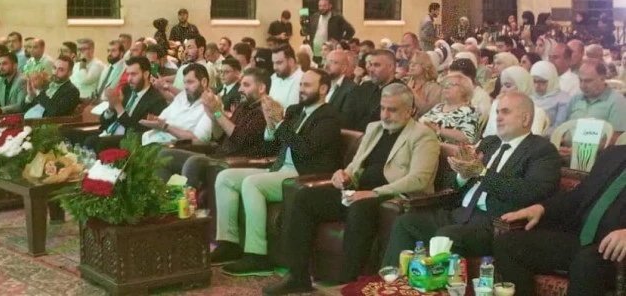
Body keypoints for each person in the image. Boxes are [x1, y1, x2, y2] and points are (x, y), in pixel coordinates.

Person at [263, 84, 441, 295]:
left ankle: (347, 282)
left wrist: (374, 193)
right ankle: (297, 276)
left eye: (392, 110)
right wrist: (344, 175)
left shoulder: (423, 136)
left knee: (360, 206)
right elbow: (356, 164)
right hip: (358, 192)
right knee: (305, 198)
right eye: (383, 108)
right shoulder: (374, 128)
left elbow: (419, 179)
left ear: (410, 110)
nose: (385, 115)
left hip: (390, 197)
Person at [382, 92, 562, 264]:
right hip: (460, 212)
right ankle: (392, 280)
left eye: (505, 112)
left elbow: (529, 192)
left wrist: (482, 173)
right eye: (497, 112)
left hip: (494, 223)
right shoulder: (490, 142)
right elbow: (451, 185)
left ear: (525, 119)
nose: (498, 118)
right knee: (406, 222)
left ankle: (432, 284)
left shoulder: (542, 151)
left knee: (446, 237)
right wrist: (462, 174)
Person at [211, 69, 342, 276]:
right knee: (225, 177)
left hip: (303, 175)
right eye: (301, 84)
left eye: (307, 85)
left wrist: (279, 122)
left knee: (252, 183)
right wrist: (270, 119)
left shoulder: (329, 117)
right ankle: (229, 243)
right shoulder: (295, 110)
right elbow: (271, 139)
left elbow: (305, 149)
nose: (301, 89)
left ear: (323, 89)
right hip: (280, 168)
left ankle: (257, 255)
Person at [494, 146, 626, 296]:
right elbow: (579, 196)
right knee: (508, 245)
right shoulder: (614, 154)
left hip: (615, 255)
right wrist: (541, 208)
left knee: (587, 262)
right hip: (583, 242)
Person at [158, 67, 273, 189]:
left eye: (246, 85)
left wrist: (217, 112)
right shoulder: (243, 107)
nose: (240, 89)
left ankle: (188, 199)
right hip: (219, 155)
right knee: (164, 155)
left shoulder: (265, 111)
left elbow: (239, 138)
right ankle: (160, 196)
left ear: (261, 88)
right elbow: (220, 137)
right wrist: (213, 117)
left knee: (193, 163)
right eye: (241, 85)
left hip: (237, 161)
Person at [86, 56, 167, 152]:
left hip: (129, 142)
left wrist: (118, 106)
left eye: (133, 74)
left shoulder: (156, 100)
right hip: (109, 132)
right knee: (75, 135)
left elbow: (137, 131)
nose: (129, 79)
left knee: (94, 142)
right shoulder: (127, 89)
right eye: (128, 74)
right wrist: (111, 108)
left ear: (146, 74)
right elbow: (104, 123)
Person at [140, 63, 213, 146]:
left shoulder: (211, 106)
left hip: (174, 148)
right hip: (152, 138)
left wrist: (166, 127)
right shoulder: (183, 96)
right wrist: (153, 121)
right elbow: (162, 120)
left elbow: (199, 139)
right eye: (185, 83)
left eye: (190, 82)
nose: (186, 87)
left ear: (204, 82)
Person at [419, 72, 480, 155]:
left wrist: (438, 130)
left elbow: (467, 137)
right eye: (444, 84)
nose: (446, 87)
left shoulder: (470, 111)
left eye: (451, 84)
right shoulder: (438, 107)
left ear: (464, 90)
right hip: (423, 148)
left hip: (445, 156)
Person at [483, 66, 548, 137]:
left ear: (522, 86)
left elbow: (533, 141)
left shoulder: (536, 111)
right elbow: (488, 135)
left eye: (508, 86)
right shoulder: (497, 104)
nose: (502, 90)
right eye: (502, 86)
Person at [566, 61, 626, 134]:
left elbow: (618, 136)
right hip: (566, 141)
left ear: (602, 79)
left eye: (588, 81)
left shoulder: (617, 102)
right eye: (580, 80)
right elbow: (563, 128)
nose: (582, 85)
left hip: (599, 141)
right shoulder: (575, 99)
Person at [530, 61, 570, 135]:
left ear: (552, 80)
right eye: (534, 81)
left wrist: (538, 133)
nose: (537, 85)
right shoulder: (528, 97)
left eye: (542, 82)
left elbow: (559, 127)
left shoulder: (563, 99)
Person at [407, 51, 441, 117]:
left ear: (425, 66)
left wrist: (412, 92)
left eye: (416, 63)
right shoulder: (408, 82)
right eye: (411, 62)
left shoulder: (434, 87)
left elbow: (430, 112)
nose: (412, 66)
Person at [269, 44, 304, 108]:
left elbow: (294, 111)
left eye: (279, 63)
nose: (274, 67)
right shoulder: (274, 77)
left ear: (291, 61)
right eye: (273, 63)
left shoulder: (302, 80)